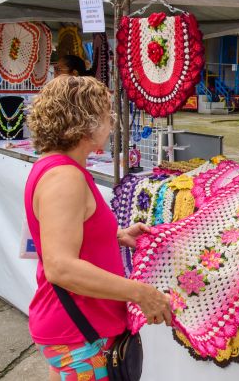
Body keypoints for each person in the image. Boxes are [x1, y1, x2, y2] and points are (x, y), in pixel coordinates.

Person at [25, 76, 171, 380]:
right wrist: (141, 293)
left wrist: (115, 235)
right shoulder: (65, 177)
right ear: (86, 123)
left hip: (77, 329)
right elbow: (61, 267)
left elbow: (59, 234)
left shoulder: (57, 168)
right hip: (81, 332)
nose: (111, 123)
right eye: (107, 115)